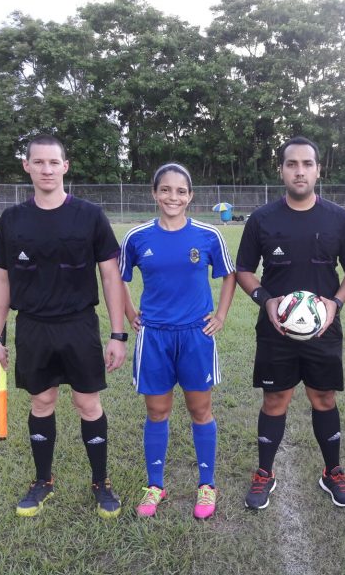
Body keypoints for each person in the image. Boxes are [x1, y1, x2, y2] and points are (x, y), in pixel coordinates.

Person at [0, 134, 127, 519]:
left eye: (53, 162)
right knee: (42, 401)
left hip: (79, 325)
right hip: (33, 327)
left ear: (65, 166)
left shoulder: (90, 215)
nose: (46, 169)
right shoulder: (13, 219)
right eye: (39, 162)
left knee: (88, 403)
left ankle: (100, 482)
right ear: (27, 167)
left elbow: (111, 277)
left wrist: (117, 335)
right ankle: (42, 481)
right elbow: (2, 279)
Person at [236, 136, 345, 509]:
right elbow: (244, 269)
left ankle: (332, 472)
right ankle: (265, 472)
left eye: (307, 164)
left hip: (323, 328)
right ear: (281, 170)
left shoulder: (339, 219)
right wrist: (266, 300)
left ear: (318, 170)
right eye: (291, 164)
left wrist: (335, 304)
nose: (299, 171)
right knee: (275, 398)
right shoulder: (262, 219)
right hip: (276, 330)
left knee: (324, 397)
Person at [119, 163, 236, 520]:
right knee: (157, 411)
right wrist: (130, 311)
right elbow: (118, 277)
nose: (173, 197)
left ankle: (207, 484)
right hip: (154, 337)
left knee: (200, 410)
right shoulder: (137, 237)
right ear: (155, 194)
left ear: (190, 196)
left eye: (181, 191)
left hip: (195, 336)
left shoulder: (208, 235)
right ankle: (155, 485)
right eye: (166, 190)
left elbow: (229, 275)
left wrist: (220, 315)